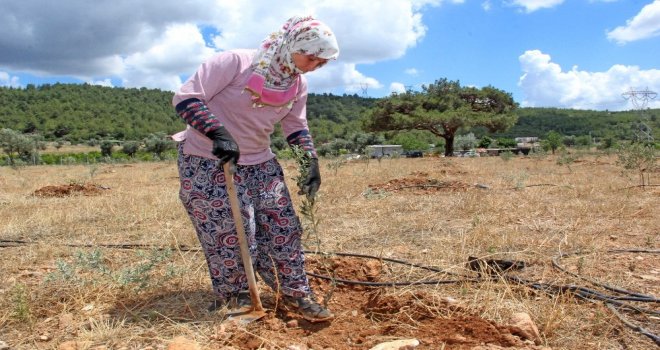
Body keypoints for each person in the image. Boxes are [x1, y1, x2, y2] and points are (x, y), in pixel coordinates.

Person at [171, 15, 339, 322]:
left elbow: (295, 127)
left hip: (260, 162)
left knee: (283, 228)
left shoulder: (297, 83)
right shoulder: (235, 62)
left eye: (321, 62)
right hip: (209, 160)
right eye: (311, 56)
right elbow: (186, 99)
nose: (314, 65)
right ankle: (237, 298)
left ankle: (294, 294)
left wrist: (310, 162)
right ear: (292, 44)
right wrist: (218, 133)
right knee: (233, 232)